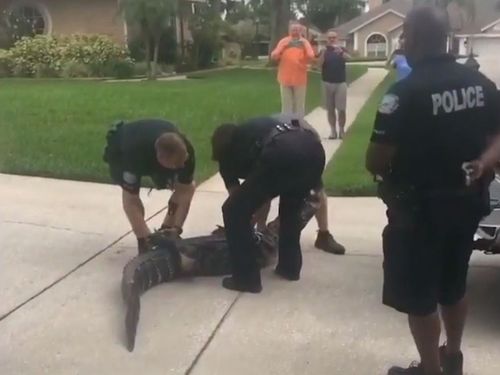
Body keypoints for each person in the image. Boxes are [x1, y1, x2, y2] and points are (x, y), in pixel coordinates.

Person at [365, 6, 499, 375]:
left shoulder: (404, 93)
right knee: (454, 284)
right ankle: (451, 356)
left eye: (404, 34)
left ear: (416, 37)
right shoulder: (481, 84)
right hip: (468, 204)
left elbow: (376, 159)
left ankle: (430, 369)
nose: (401, 40)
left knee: (419, 296)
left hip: (420, 213)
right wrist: (484, 163)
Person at [211, 116, 326, 293]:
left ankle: (245, 279)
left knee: (232, 211)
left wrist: (245, 226)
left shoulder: (229, 154)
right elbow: (256, 198)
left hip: (282, 153)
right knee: (291, 209)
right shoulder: (250, 133)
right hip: (313, 151)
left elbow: (240, 202)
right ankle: (289, 268)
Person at [103, 119, 196, 254]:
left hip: (152, 146)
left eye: (183, 161)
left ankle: (167, 229)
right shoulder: (134, 156)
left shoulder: (185, 152)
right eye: (176, 165)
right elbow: (131, 199)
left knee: (186, 187)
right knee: (130, 193)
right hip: (121, 148)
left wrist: (176, 228)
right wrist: (146, 238)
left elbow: (186, 190)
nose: (181, 167)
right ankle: (144, 240)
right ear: (160, 159)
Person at [271, 21, 315, 118]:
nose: (295, 31)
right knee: (286, 105)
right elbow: (274, 56)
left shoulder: (304, 42)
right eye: (293, 30)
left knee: (299, 105)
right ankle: (287, 126)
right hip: (285, 78)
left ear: (300, 31)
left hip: (300, 78)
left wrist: (305, 46)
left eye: (297, 30)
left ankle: (299, 126)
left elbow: (311, 55)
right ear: (289, 31)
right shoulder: (284, 41)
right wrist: (283, 47)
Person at [317, 30, 351, 139]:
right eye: (330, 37)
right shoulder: (324, 51)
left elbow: (350, 58)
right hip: (326, 82)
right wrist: (322, 54)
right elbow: (318, 65)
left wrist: (340, 52)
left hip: (340, 83)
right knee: (330, 109)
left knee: (341, 109)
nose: (332, 39)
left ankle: (341, 130)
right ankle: (333, 131)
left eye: (334, 37)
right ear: (327, 39)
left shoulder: (342, 50)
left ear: (337, 38)